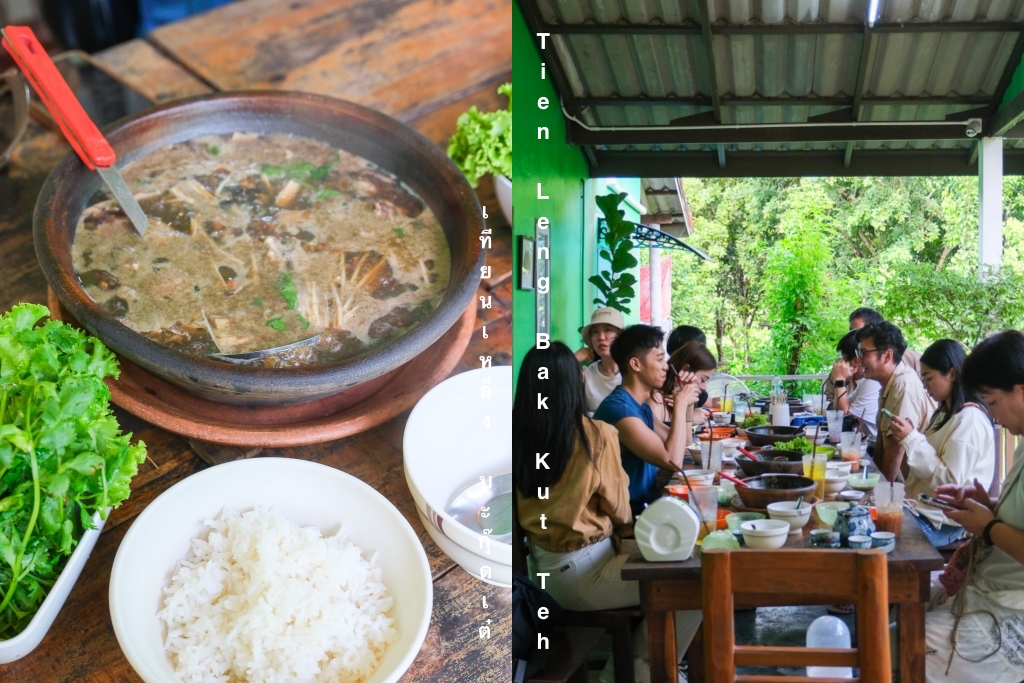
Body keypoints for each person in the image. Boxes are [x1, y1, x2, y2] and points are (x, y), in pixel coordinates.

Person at [514, 342, 699, 683]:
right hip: (584, 574)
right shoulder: (595, 435)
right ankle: (638, 668)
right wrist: (627, 534)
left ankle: (637, 666)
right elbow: (619, 509)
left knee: (678, 562)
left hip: (540, 575)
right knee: (694, 585)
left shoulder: (515, 437)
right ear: (577, 382)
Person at [922, 331, 1024, 683]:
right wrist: (988, 504)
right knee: (902, 606)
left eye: (992, 402)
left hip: (1011, 609)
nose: (992, 416)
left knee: (892, 648)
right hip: (987, 587)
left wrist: (989, 528)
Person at [888, 340, 995, 548]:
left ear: (952, 374)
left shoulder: (970, 419)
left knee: (876, 535)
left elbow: (949, 482)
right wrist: (913, 437)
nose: (925, 386)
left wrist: (912, 439)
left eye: (928, 378)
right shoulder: (946, 413)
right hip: (922, 510)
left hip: (943, 523)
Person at [594, 325, 701, 517]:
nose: (666, 366)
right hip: (627, 516)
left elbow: (684, 445)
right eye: (659, 359)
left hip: (646, 505)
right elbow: (673, 461)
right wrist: (680, 404)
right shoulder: (619, 410)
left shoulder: (640, 406)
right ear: (635, 364)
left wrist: (687, 401)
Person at [856, 321, 935, 482]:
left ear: (887, 355)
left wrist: (881, 492)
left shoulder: (903, 384)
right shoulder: (888, 383)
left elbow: (896, 449)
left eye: (864, 352)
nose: (859, 359)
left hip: (911, 490)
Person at [650, 341, 718, 426]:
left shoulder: (691, 395)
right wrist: (689, 418)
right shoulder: (656, 398)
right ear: (685, 370)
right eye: (702, 380)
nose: (704, 387)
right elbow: (682, 437)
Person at [831, 329, 881, 443]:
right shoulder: (865, 380)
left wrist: (839, 380)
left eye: (845, 359)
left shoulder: (872, 380)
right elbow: (838, 411)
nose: (842, 364)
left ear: (855, 360)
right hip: (866, 443)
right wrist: (841, 380)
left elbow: (846, 418)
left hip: (873, 446)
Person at [574, 308, 625, 414]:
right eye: (595, 332)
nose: (601, 337)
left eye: (608, 330)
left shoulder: (634, 372)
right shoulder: (586, 374)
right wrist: (574, 358)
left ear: (620, 335)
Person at [849, 306, 921, 374]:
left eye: (857, 332)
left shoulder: (911, 359)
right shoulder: (851, 358)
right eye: (850, 331)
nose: (851, 336)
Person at [665, 325, 711, 425]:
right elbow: (661, 431)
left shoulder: (691, 386)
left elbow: (711, 402)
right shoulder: (661, 392)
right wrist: (690, 418)